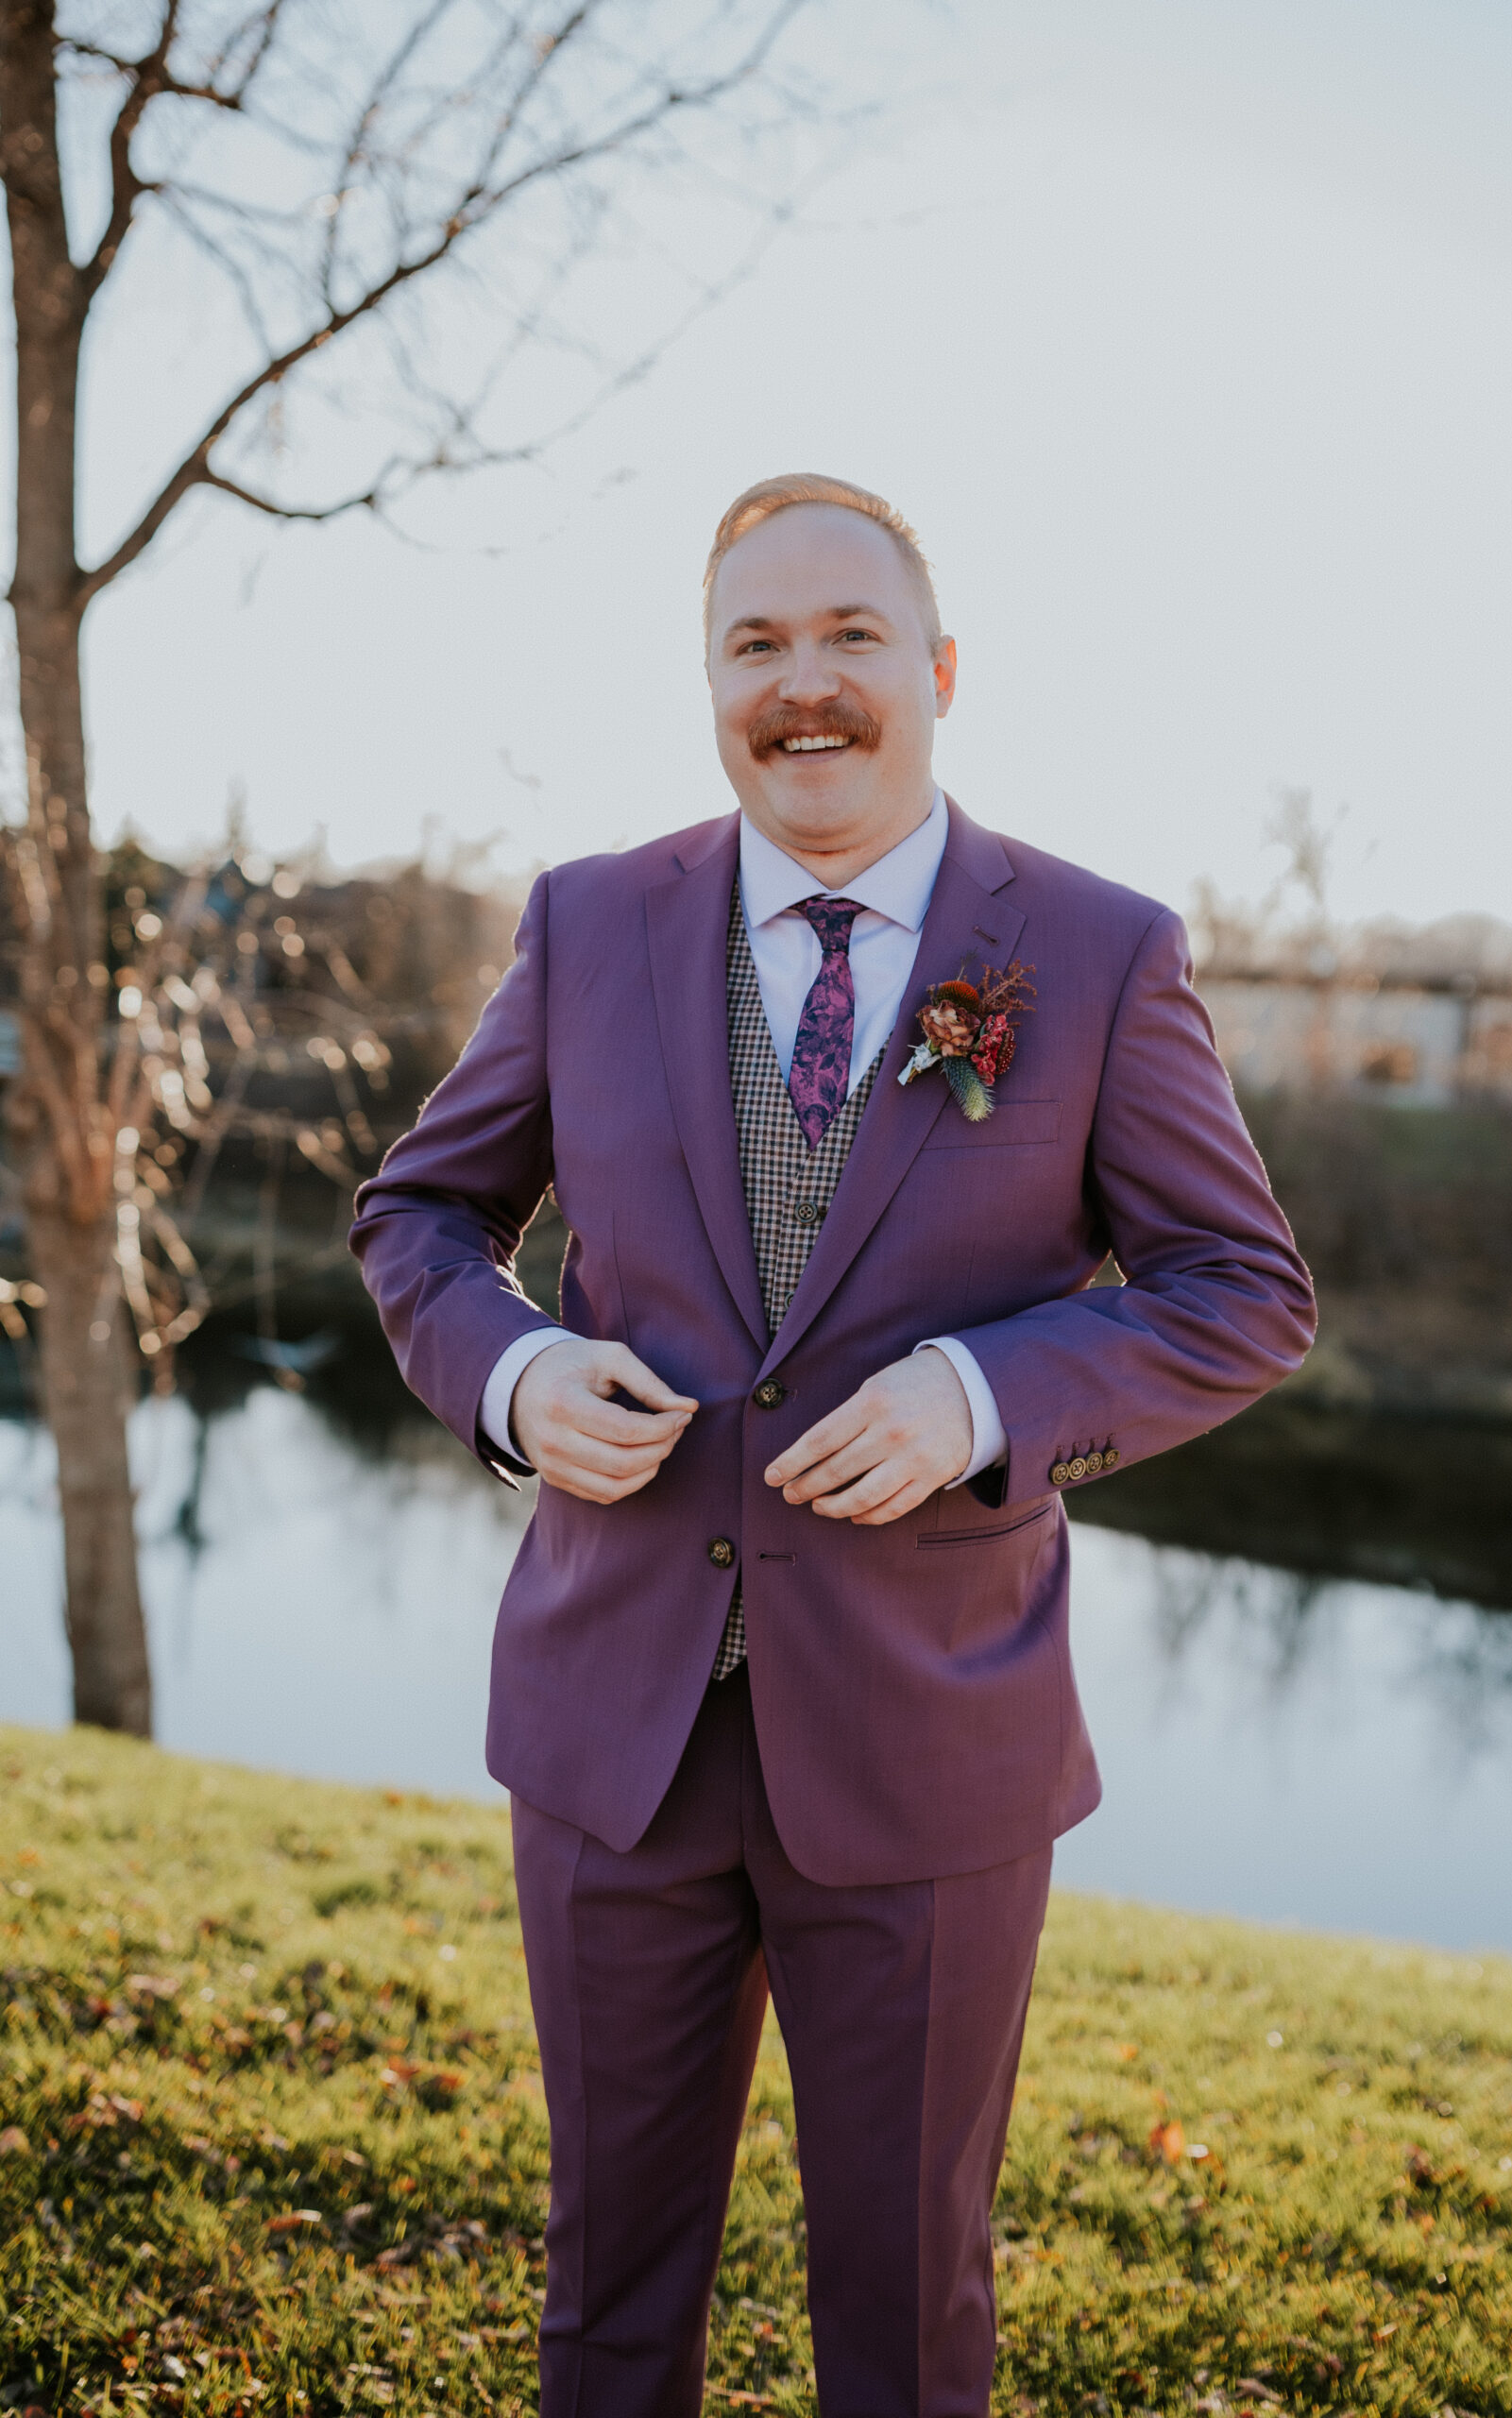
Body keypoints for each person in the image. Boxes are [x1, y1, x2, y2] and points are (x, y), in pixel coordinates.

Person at [350, 471, 1316, 2416]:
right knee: (607, 2289)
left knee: (903, 2308)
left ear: (939, 669)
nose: (805, 685)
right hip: (610, 1727)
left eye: (850, 636)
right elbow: (417, 1218)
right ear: (707, 680)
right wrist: (515, 1376)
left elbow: (1239, 1287)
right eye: (755, 643)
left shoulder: (1100, 950)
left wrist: (988, 1394)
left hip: (926, 1743)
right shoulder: (588, 918)